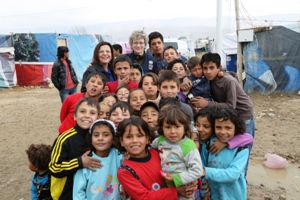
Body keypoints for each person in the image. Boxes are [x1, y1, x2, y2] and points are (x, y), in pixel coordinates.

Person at [116, 116, 197, 200]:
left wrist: (192, 182)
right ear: (121, 141)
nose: (135, 140)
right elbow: (144, 197)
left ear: (148, 138)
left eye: (140, 136)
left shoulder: (158, 153)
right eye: (129, 137)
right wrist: (176, 191)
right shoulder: (125, 171)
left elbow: (180, 165)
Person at [190, 53, 255, 152]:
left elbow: (230, 106)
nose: (208, 71)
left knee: (241, 149)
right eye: (205, 68)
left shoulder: (228, 81)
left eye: (212, 68)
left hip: (243, 115)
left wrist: (207, 104)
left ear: (219, 67)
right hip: (228, 115)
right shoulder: (209, 79)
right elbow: (192, 75)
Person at [49, 97, 102, 199]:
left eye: (92, 113)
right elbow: (53, 167)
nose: (87, 116)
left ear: (98, 118)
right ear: (74, 116)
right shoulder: (64, 139)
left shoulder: (98, 138)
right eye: (82, 111)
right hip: (67, 193)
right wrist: (79, 162)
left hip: (92, 192)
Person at [152, 105, 202, 200]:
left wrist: (176, 178)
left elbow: (197, 170)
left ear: (185, 128)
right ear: (162, 128)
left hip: (184, 189)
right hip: (164, 187)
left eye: (177, 126)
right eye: (167, 127)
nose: (172, 131)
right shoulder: (159, 141)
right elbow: (148, 150)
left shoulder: (188, 146)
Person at [201, 108, 250, 200]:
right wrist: (203, 192)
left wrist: (206, 171)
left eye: (228, 128)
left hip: (234, 196)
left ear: (236, 128)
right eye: (218, 127)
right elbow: (201, 166)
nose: (223, 132)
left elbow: (233, 174)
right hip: (212, 195)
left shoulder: (241, 149)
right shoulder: (208, 144)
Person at [73, 119, 123, 200]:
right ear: (91, 139)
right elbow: (78, 194)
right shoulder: (86, 161)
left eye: (106, 135)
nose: (100, 138)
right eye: (96, 135)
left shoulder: (119, 156)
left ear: (113, 138)